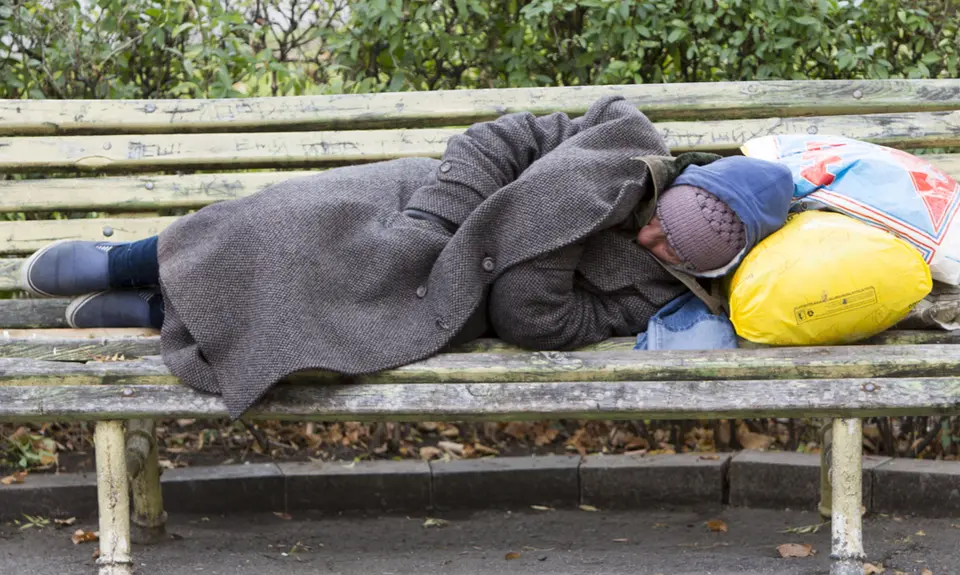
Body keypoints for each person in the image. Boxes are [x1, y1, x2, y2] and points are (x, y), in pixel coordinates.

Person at [20, 96, 793, 417]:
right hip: (428, 201)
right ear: (684, 184)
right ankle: (134, 260)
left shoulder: (655, 291)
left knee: (322, 315)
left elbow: (543, 321)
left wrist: (542, 249)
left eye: (678, 252)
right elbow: (501, 140)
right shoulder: (621, 139)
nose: (655, 241)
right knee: (287, 223)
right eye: (667, 222)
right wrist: (438, 215)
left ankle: (162, 311)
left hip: (454, 303)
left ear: (702, 268)